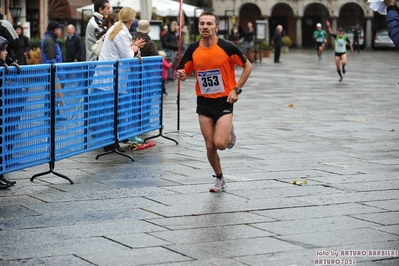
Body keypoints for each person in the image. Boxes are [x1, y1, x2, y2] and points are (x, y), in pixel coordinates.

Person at [176, 11, 253, 193]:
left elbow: (248, 66)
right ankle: (220, 179)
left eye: (209, 24)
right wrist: (182, 74)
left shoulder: (227, 47)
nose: (205, 27)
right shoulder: (193, 48)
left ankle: (228, 133)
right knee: (210, 145)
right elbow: (184, 73)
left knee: (220, 144)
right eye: (202, 23)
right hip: (203, 102)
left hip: (224, 100)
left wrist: (237, 89)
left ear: (216, 28)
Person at [94, 7, 145, 152]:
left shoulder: (116, 29)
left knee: (110, 111)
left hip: (108, 78)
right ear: (131, 20)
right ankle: (111, 143)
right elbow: (127, 56)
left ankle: (111, 142)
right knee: (114, 111)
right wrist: (134, 48)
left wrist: (134, 48)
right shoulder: (122, 33)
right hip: (113, 79)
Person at [0, 36, 19, 189]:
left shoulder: (3, 65)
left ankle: (1, 174)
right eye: (3, 50)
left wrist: (10, 63)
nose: (6, 53)